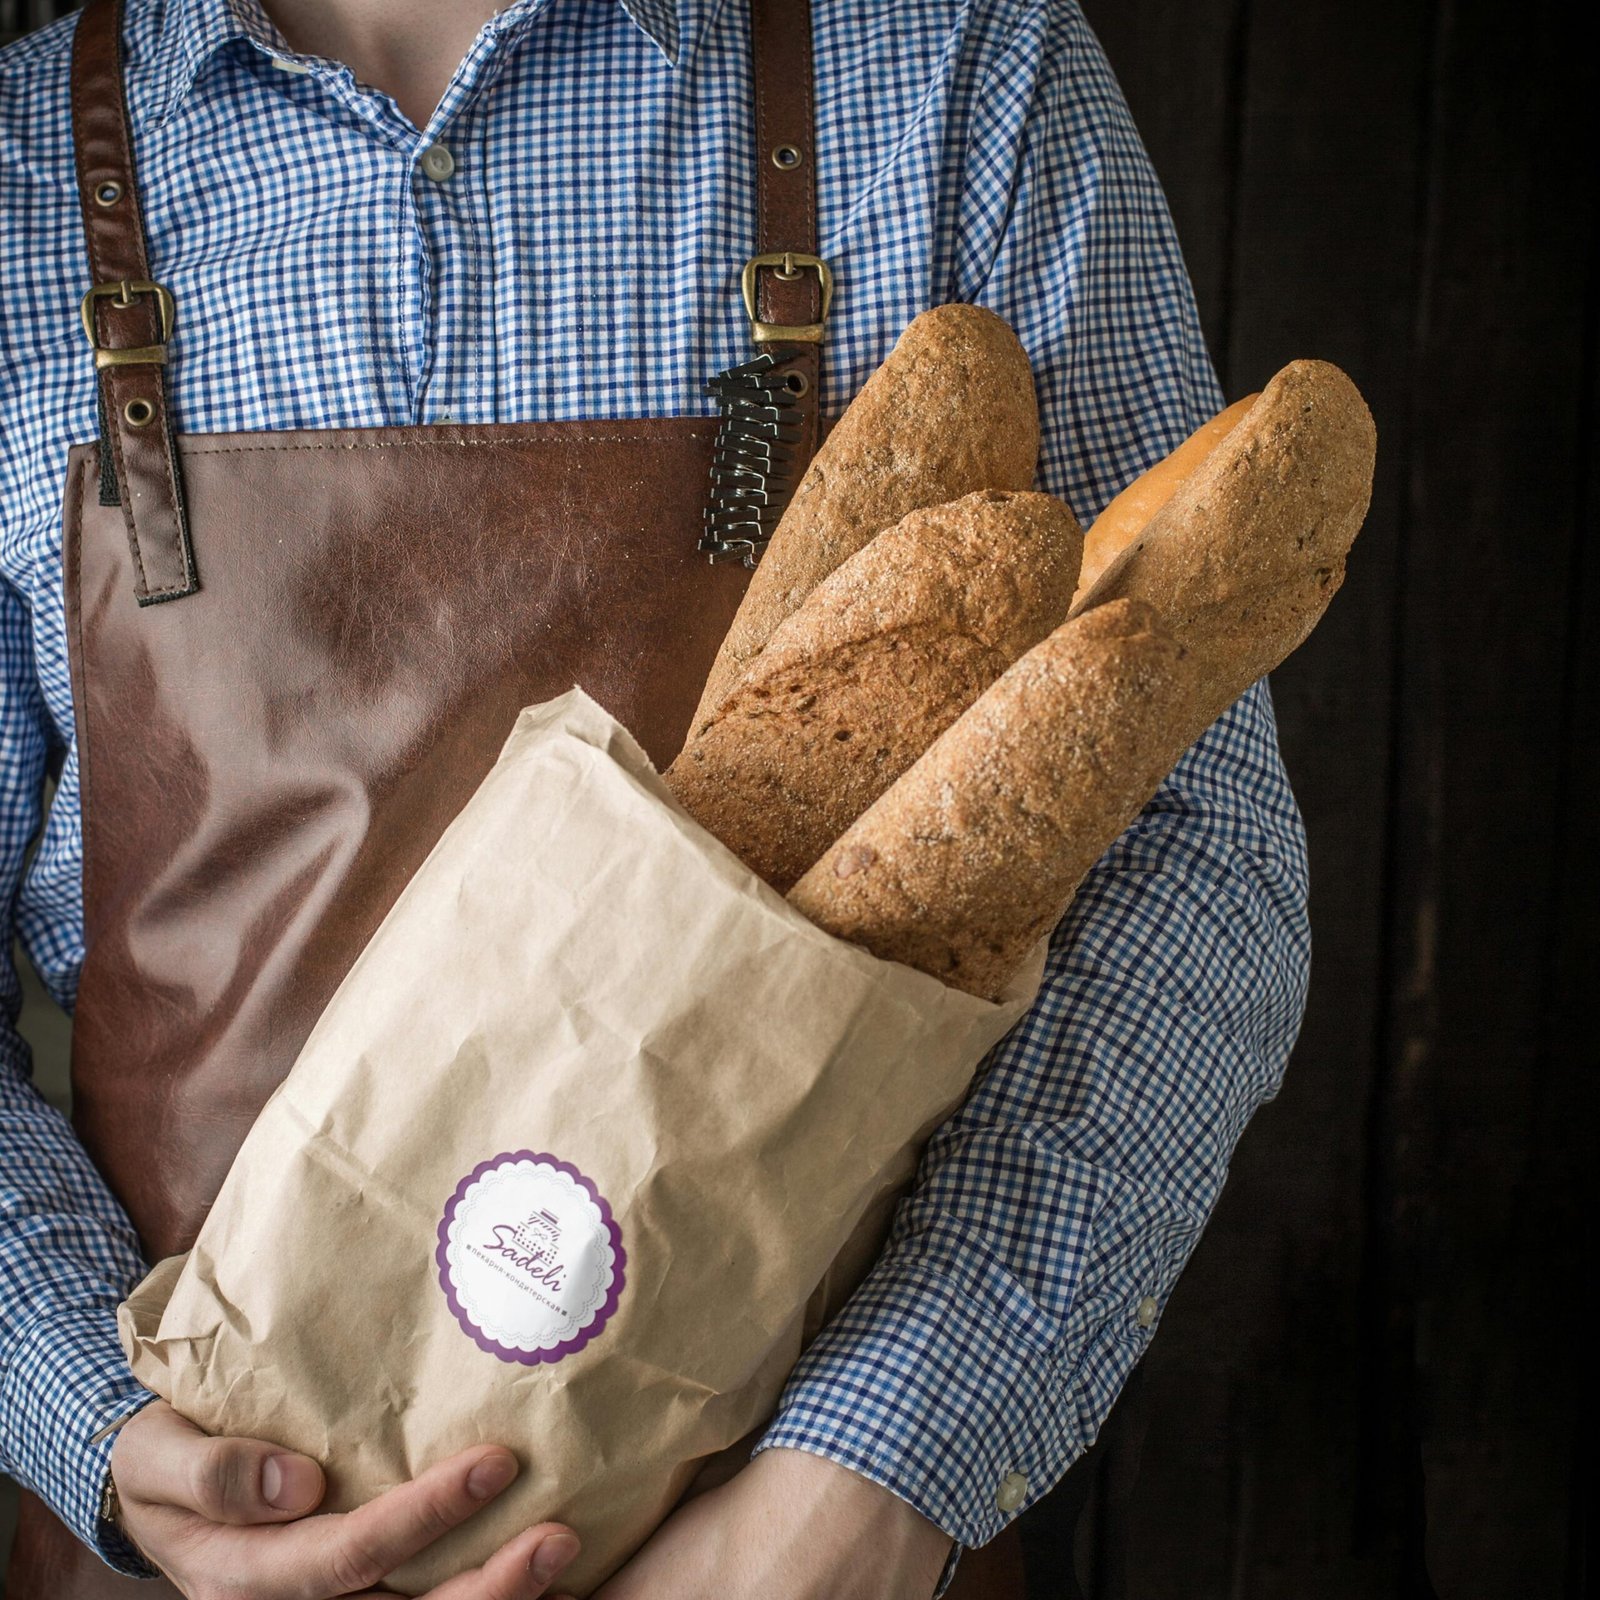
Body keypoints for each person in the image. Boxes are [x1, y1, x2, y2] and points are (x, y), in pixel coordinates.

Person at [0, 1, 1312, 1596]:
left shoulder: (954, 67)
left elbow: (1191, 851)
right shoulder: (16, 171)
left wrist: (878, 1466)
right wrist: (100, 1417)